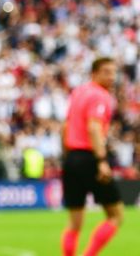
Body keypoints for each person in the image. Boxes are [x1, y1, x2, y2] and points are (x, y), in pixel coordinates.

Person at [61, 58, 123, 256]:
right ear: (94, 73)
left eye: (114, 72)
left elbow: (66, 125)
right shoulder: (100, 96)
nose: (111, 77)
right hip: (91, 158)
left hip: (72, 158)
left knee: (74, 222)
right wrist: (102, 161)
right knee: (116, 215)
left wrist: (68, 155)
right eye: (106, 72)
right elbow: (94, 127)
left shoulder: (78, 92)